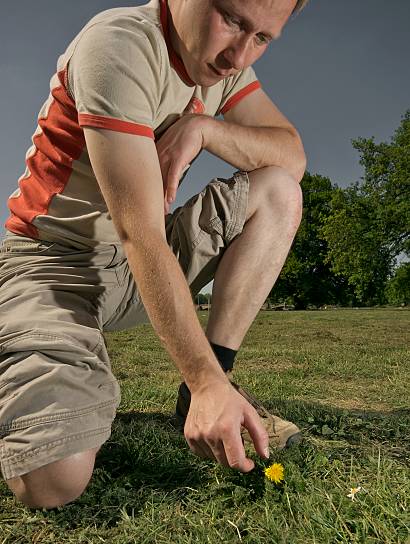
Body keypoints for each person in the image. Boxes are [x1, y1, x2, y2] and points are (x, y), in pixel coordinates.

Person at [0, 0, 308, 509]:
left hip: (135, 264)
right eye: (231, 20)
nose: (238, 56)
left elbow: (292, 154)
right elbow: (138, 231)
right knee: (55, 480)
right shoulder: (120, 45)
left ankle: (208, 388)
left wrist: (206, 129)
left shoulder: (225, 70)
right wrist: (202, 378)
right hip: (52, 265)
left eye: (262, 39)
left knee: (279, 190)